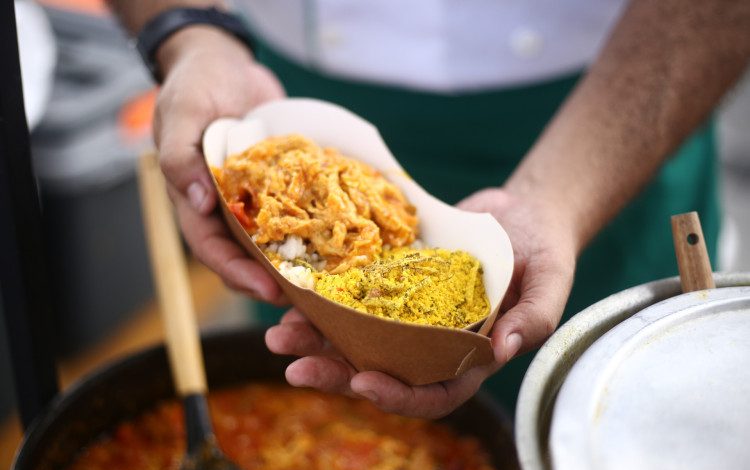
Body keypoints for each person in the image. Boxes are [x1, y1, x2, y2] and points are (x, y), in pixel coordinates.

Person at [108, 0, 750, 419]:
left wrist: (556, 197)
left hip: (615, 116)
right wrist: (188, 34)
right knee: (325, 396)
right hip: (281, 84)